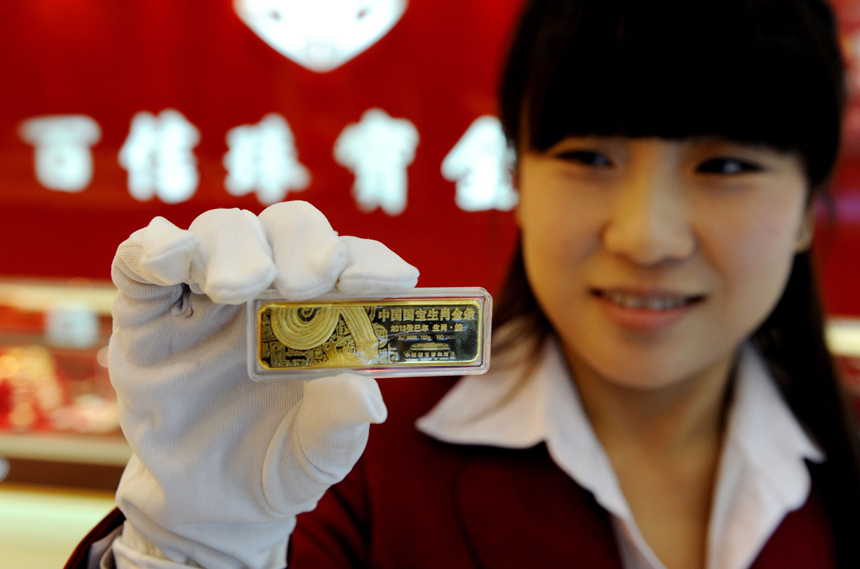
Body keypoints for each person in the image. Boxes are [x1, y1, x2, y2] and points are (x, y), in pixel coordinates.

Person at [67, 0, 860, 568]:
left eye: (725, 166)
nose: (645, 236)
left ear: (805, 203)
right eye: (588, 156)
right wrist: (196, 543)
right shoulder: (345, 452)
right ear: (518, 174)